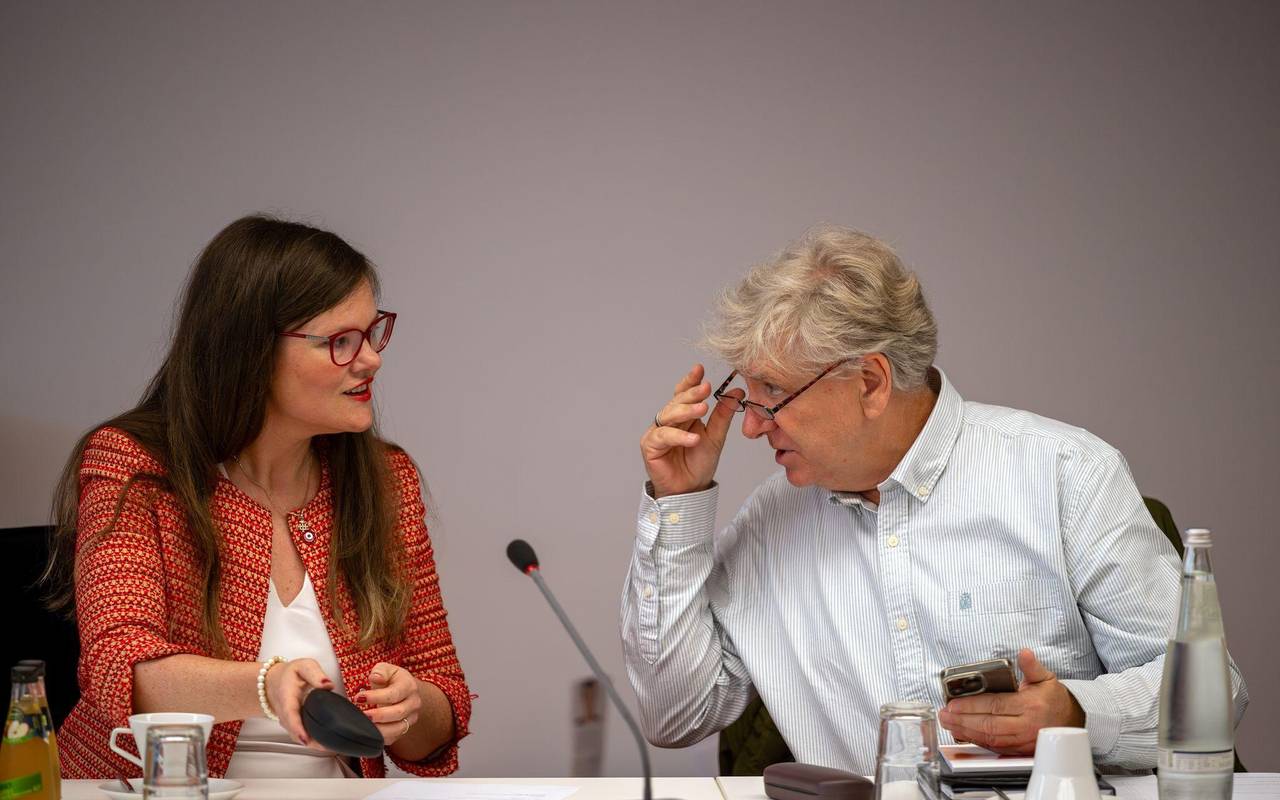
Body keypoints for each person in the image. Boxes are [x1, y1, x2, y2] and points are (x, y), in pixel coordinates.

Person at [621, 225, 1247, 774]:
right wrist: (679, 505)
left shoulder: (1065, 474)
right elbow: (675, 716)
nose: (751, 427)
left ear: (869, 382)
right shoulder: (771, 521)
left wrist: (1078, 712)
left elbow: (1213, 694)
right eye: (744, 394)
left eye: (771, 394)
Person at [45, 216, 471, 779]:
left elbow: (442, 703)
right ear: (251, 351)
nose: (371, 359)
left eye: (372, 333)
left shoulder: (388, 483)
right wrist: (266, 683)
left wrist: (411, 707)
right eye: (340, 342)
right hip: (152, 790)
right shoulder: (135, 465)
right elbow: (119, 666)